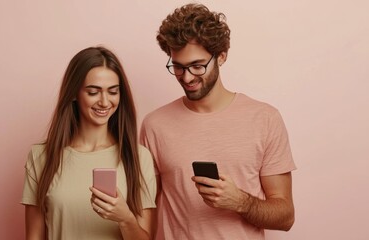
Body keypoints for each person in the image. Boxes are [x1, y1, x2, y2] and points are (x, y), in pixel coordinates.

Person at [139, 3, 296, 240]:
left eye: (197, 66)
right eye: (178, 67)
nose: (187, 77)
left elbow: (285, 217)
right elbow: (146, 214)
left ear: (221, 56)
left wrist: (241, 202)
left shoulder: (264, 119)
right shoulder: (154, 125)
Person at [21, 46, 156, 240]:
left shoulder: (138, 157)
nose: (104, 101)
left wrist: (125, 219)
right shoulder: (41, 156)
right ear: (74, 93)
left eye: (113, 92)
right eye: (93, 92)